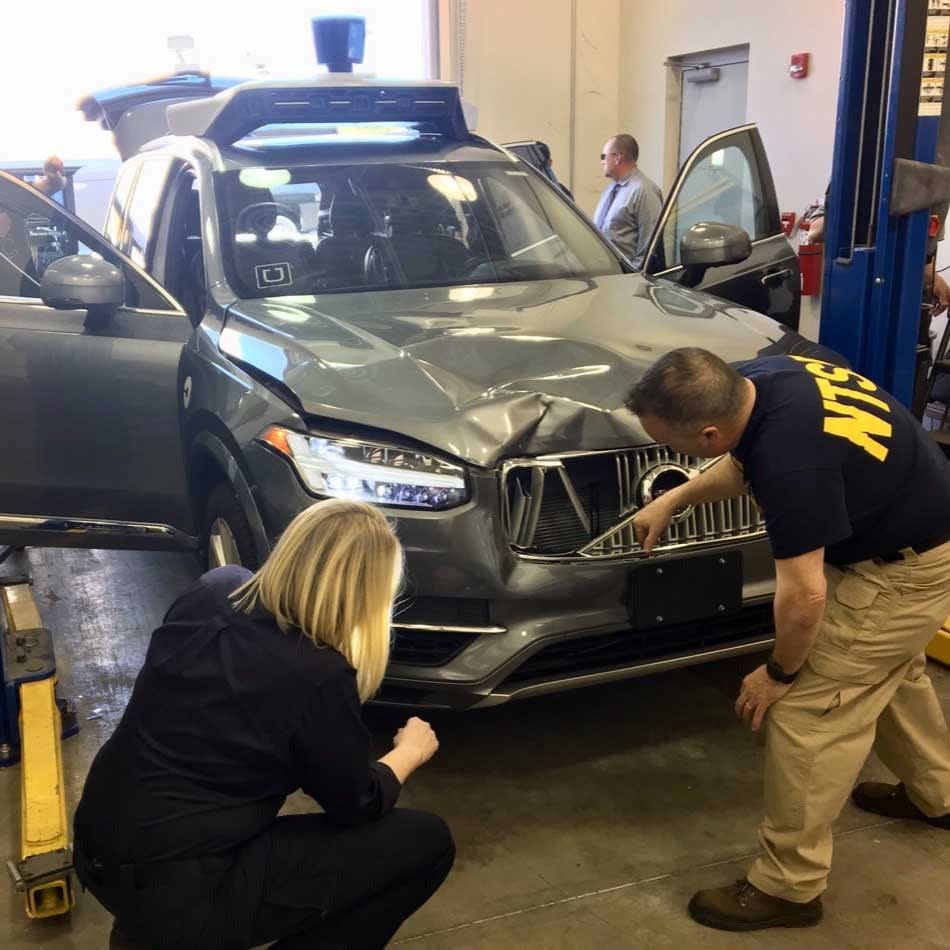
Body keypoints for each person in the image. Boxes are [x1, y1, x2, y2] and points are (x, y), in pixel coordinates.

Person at [625, 348, 950, 932]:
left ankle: (788, 886)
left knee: (811, 713)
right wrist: (672, 498)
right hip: (918, 537)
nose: (675, 456)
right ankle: (939, 795)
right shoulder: (764, 378)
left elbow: (804, 596)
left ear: (708, 431)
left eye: (674, 446)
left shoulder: (791, 462)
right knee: (887, 675)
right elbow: (741, 460)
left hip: (901, 569)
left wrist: (777, 674)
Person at [73, 499, 455, 950]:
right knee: (426, 844)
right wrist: (407, 753)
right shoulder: (319, 674)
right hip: (183, 888)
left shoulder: (215, 589)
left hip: (99, 847)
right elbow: (357, 803)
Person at [592, 133, 662, 269]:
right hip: (605, 274)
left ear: (617, 158)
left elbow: (649, 247)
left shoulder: (645, 191)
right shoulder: (609, 190)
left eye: (603, 156)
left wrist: (632, 277)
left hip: (626, 278)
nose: (602, 161)